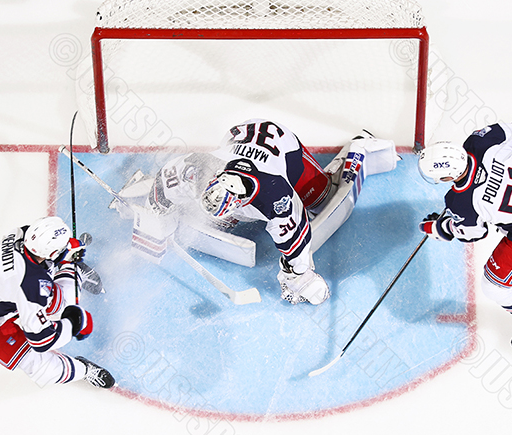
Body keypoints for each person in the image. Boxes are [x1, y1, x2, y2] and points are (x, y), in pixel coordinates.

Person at [129, 119, 398, 305]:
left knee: (320, 200)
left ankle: (357, 146)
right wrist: (156, 217)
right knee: (224, 222)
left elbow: (297, 240)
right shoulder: (197, 167)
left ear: (239, 200)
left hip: (284, 150)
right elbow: (165, 182)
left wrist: (296, 275)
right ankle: (227, 217)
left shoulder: (277, 198)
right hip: (238, 139)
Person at [418, 120, 512, 352]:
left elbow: (473, 233)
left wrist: (438, 228)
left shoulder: (461, 203)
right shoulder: (480, 141)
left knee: (495, 285)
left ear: (448, 177)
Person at [0, 216, 114, 388]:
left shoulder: (22, 233)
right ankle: (85, 370)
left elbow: (41, 251)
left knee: (55, 303)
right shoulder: (31, 284)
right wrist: (73, 323)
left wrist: (66, 250)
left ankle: (74, 271)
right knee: (42, 368)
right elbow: (42, 340)